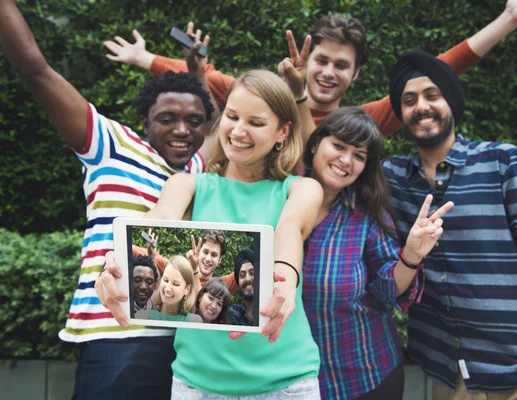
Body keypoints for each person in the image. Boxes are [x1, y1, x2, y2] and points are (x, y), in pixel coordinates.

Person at [0, 1, 219, 398]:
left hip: (187, 343)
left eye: (193, 121)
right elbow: (36, 69)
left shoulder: (199, 169)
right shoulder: (112, 145)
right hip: (117, 338)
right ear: (145, 122)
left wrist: (197, 72)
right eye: (166, 118)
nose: (182, 130)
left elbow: (220, 123)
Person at [96, 69, 324, 398]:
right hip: (196, 383)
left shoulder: (301, 189)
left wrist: (285, 280)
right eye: (231, 116)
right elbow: (158, 220)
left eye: (256, 123)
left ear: (283, 131)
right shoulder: (188, 185)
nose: (239, 131)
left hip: (287, 382)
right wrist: (114, 265)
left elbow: (289, 229)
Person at [383, 50, 517, 399]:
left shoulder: (502, 162)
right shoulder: (393, 178)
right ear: (401, 114)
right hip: (445, 375)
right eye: (408, 101)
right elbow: (329, 154)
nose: (421, 106)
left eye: (432, 95)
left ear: (451, 101)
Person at [104, 0, 517, 140]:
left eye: (342, 65)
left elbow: (440, 70)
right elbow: (207, 73)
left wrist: (510, 19)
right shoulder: (260, 101)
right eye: (321, 60)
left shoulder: (362, 123)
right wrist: (145, 59)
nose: (328, 72)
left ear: (354, 76)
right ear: (304, 58)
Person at [302, 106, 453, 399]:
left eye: (359, 155)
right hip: (291, 380)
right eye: (338, 145)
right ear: (314, 145)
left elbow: (386, 290)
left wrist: (411, 256)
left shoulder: (366, 214)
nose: (345, 160)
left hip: (367, 376)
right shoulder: (275, 198)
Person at [136, 255, 202, 323]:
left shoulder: (193, 321)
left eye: (175, 284)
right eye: (165, 280)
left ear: (187, 289)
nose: (167, 288)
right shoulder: (143, 316)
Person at [230, 248, 256, 326]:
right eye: (242, 275)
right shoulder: (232, 313)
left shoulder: (272, 312)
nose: (247, 279)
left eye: (252, 273)